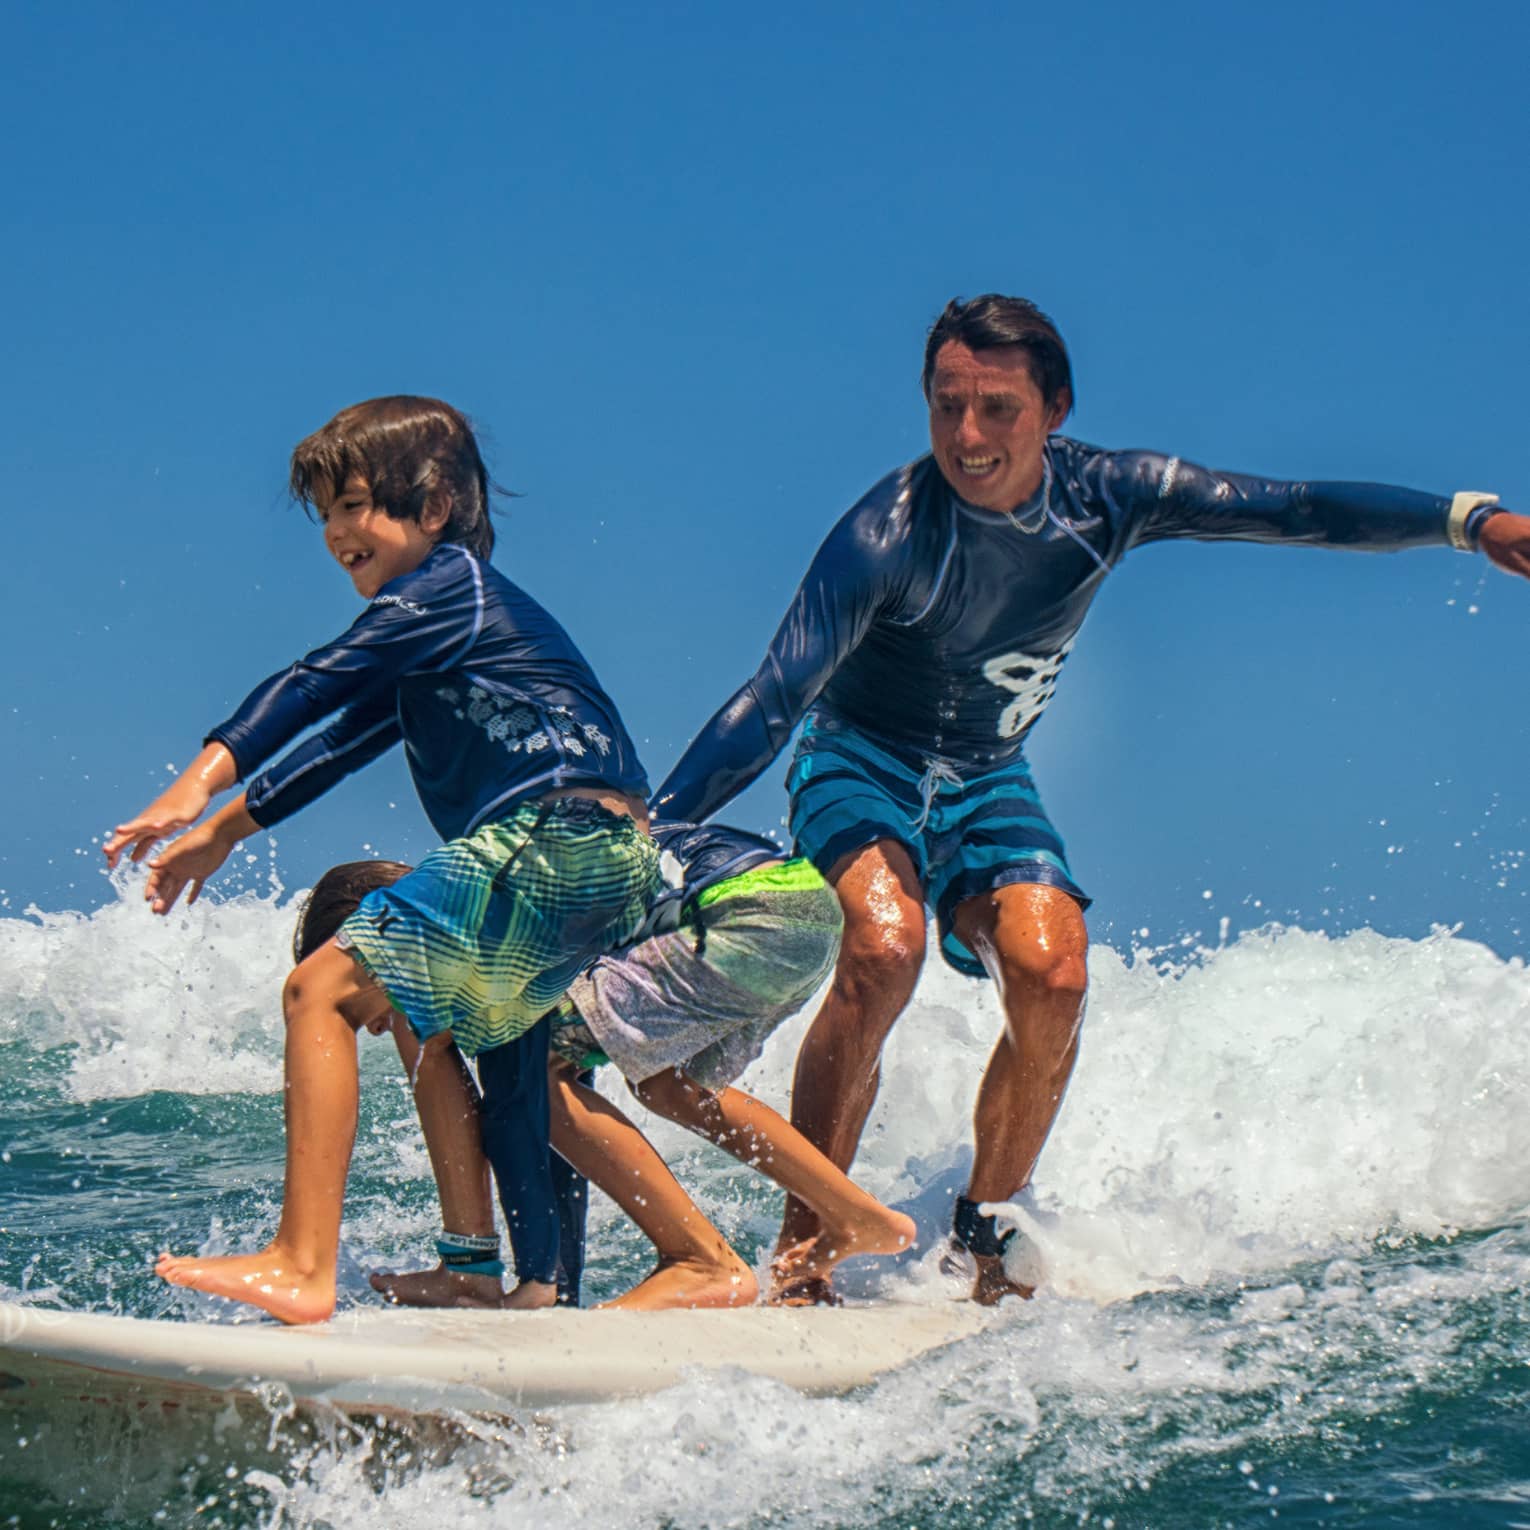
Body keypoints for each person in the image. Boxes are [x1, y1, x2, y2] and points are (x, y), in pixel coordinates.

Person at [650, 294, 1530, 1305]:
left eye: (997, 409)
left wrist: (1467, 522)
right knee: (882, 948)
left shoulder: (1113, 495)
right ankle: (807, 1255)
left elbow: (1290, 508)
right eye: (947, 407)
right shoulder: (886, 535)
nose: (968, 437)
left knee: (1052, 973)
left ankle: (983, 1234)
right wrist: (657, 829)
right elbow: (775, 696)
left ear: (1056, 409)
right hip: (862, 761)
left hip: (988, 776)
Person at [102, 396, 659, 1324]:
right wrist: (224, 833)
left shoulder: (449, 587)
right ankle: (535, 1287)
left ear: (435, 506)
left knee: (316, 992)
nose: (335, 532)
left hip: (550, 833)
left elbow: (318, 681)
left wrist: (195, 786)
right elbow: (341, 738)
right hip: (603, 854)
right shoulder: (441, 630)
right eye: (325, 512)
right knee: (523, 1078)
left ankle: (299, 1261)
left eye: (354, 504)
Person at [293, 822, 916, 1310]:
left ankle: (701, 1261)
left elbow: (485, 1099)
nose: (365, 1021)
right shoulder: (500, 887)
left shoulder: (437, 927)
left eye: (349, 991)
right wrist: (558, 1283)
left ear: (368, 930)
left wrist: (474, 1266)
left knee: (544, 1075)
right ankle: (857, 1214)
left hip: (728, 909)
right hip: (796, 908)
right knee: (675, 1089)